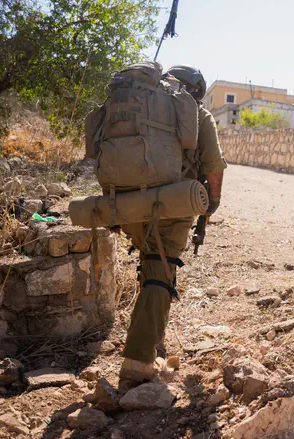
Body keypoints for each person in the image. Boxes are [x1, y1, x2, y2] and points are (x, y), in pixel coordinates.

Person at [117, 64, 226, 390]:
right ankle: (137, 363)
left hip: (124, 204)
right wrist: (213, 202)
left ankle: (152, 341)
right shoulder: (197, 115)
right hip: (171, 206)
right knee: (159, 275)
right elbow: (214, 168)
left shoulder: (134, 105)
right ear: (195, 90)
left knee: (152, 269)